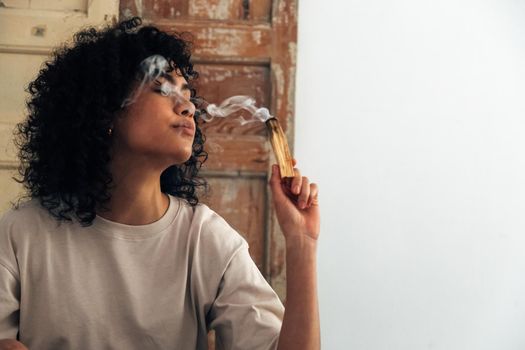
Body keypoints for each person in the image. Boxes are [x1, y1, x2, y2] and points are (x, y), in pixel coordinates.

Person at [0, 18, 320, 350]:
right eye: (162, 89)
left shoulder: (205, 239)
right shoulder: (22, 233)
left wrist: (302, 244)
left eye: (187, 94)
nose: (188, 107)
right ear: (106, 112)